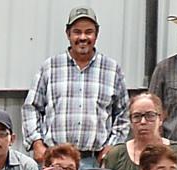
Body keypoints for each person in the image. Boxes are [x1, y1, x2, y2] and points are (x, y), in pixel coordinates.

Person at [27, 4, 129, 160]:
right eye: (77, 32)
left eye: (88, 32)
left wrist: (112, 147)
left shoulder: (112, 70)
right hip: (56, 159)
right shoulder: (50, 67)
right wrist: (37, 142)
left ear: (97, 34)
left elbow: (124, 114)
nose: (83, 37)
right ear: (68, 34)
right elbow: (31, 107)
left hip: (95, 160)